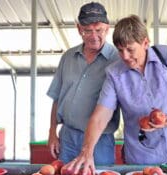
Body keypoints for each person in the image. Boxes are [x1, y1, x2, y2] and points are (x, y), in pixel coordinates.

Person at [65, 15, 167, 175]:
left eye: (130, 49)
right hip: (142, 153)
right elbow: (100, 117)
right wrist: (87, 151)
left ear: (145, 43)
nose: (125, 56)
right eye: (120, 50)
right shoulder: (114, 73)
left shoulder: (166, 56)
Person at [46, 2, 120, 165]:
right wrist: (52, 131)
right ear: (79, 29)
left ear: (107, 28)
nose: (94, 36)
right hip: (68, 138)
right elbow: (57, 96)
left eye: (99, 30)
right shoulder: (68, 57)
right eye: (88, 31)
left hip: (100, 141)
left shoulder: (118, 60)